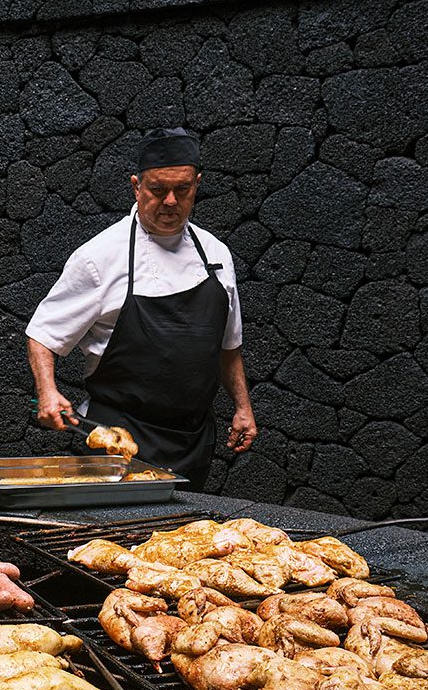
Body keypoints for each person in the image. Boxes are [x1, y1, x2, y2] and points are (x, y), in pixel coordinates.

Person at [25, 126, 257, 487]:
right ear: (136, 186)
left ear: (197, 184)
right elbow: (43, 335)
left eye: (182, 190)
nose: (169, 202)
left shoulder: (216, 255)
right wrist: (48, 392)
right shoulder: (100, 257)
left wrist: (242, 407)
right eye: (157, 190)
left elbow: (228, 347)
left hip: (192, 441)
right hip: (116, 441)